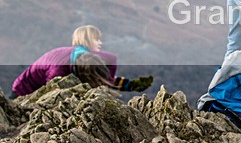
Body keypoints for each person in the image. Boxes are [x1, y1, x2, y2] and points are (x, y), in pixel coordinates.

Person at [11, 25, 153, 96]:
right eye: (97, 39)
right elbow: (52, 92)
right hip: (23, 91)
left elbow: (97, 76)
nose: (100, 43)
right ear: (87, 40)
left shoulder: (82, 60)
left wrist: (131, 85)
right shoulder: (61, 67)